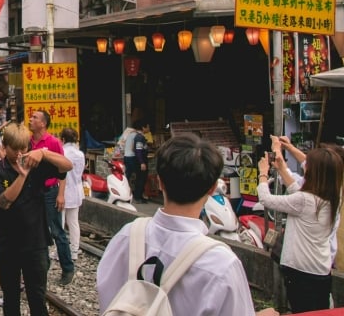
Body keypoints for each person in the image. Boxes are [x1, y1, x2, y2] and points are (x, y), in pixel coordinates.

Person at [97, 133, 279, 316]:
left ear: (160, 182)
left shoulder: (127, 236)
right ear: (211, 189)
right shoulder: (221, 264)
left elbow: (107, 298)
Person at [0, 123, 72, 316]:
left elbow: (67, 166)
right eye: (14, 149)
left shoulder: (36, 164)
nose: (19, 154)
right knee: (11, 296)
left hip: (36, 242)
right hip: (7, 243)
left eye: (23, 149)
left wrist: (44, 153)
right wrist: (22, 176)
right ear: (5, 146)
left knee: (37, 296)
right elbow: (3, 202)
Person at [258, 145, 343, 313]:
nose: (305, 167)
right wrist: (282, 169)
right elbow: (297, 193)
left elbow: (266, 199)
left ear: (315, 173)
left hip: (300, 271)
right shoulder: (332, 197)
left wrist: (263, 173)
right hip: (320, 270)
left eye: (308, 165)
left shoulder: (304, 200)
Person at [28, 109, 74, 284]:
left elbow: (63, 169)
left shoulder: (53, 142)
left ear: (43, 123)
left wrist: (61, 194)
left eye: (35, 118)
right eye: (31, 117)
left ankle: (67, 268)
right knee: (39, 231)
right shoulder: (28, 141)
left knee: (56, 231)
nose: (31, 120)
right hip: (34, 192)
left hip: (50, 191)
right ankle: (43, 267)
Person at [60, 127, 84, 259]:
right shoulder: (80, 154)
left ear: (62, 139)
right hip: (76, 189)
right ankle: (74, 250)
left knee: (61, 223)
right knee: (74, 222)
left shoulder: (62, 152)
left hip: (63, 190)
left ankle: (61, 252)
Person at [123, 118, 150, 203]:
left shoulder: (131, 134)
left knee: (128, 176)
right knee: (140, 177)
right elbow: (136, 149)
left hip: (127, 156)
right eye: (148, 127)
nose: (149, 128)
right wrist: (141, 162)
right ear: (143, 127)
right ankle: (137, 196)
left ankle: (127, 194)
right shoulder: (138, 136)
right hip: (132, 157)